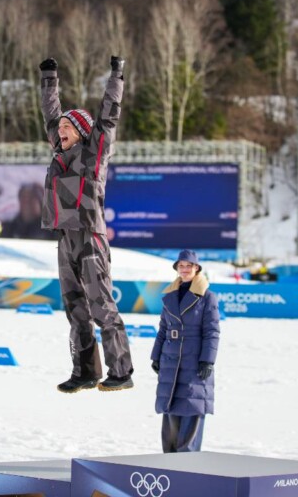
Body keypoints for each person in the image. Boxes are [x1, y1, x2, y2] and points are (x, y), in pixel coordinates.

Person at [39, 55, 134, 392]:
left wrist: (117, 75)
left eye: (67, 127)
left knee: (101, 307)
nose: (60, 130)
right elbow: (50, 111)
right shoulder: (59, 153)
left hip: (90, 237)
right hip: (66, 239)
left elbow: (109, 116)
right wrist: (49, 77)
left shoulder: (93, 154)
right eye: (60, 128)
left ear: (80, 132)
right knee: (75, 310)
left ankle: (121, 371)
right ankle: (85, 371)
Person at [150, 250, 220, 452]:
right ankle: (169, 461)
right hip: (171, 361)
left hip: (194, 362)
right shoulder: (170, 295)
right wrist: (156, 356)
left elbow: (212, 331)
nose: (185, 269)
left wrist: (207, 360)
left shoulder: (207, 297)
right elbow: (163, 329)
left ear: (197, 268)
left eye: (189, 265)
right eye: (181, 265)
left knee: (191, 408)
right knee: (171, 409)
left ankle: (188, 463)